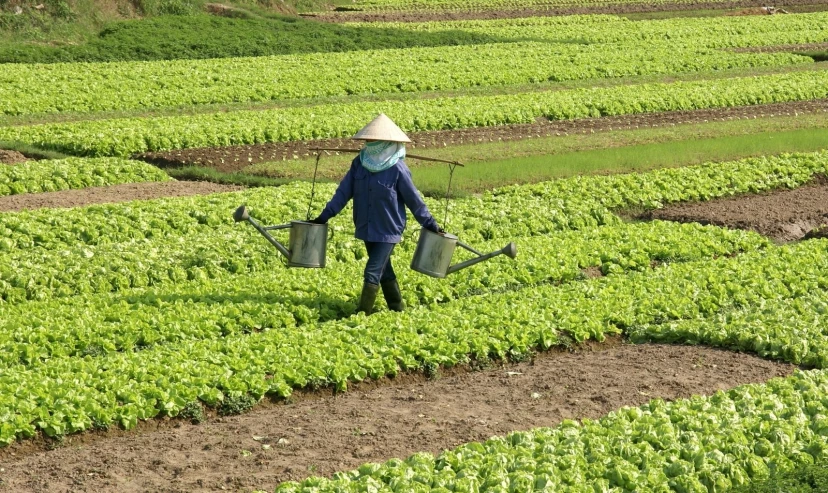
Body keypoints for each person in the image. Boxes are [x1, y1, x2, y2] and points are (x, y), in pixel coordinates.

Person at [310, 113, 443, 315]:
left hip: (388, 229)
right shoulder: (359, 163)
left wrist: (430, 223)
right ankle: (397, 308)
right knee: (384, 270)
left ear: (384, 141)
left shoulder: (398, 168)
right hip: (366, 226)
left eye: (372, 140)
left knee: (372, 271)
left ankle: (363, 313)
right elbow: (343, 192)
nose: (368, 143)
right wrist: (324, 216)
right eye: (367, 140)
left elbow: (414, 200)